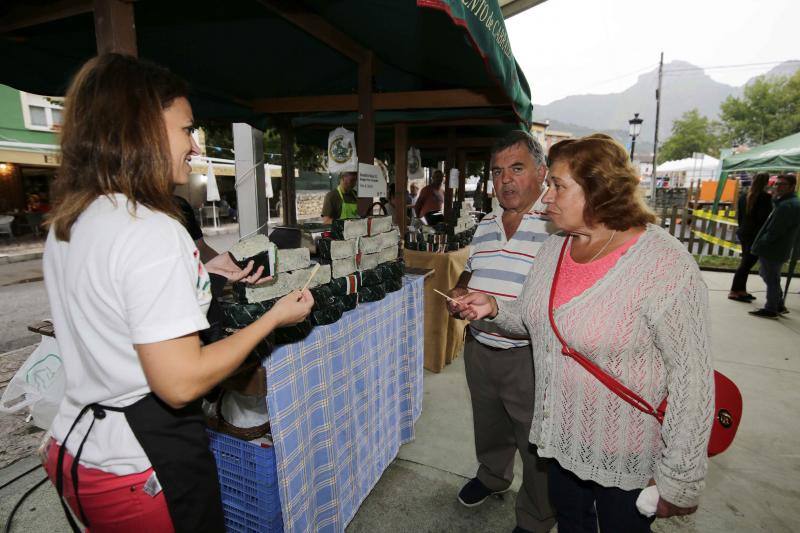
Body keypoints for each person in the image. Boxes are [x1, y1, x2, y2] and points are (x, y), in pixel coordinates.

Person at [41, 54, 314, 532]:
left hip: (78, 446)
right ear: (141, 127)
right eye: (186, 129)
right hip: (142, 462)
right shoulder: (151, 230)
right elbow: (181, 381)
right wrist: (271, 320)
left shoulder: (73, 220)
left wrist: (204, 271)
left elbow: (115, 305)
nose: (194, 146)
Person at [453, 134, 714, 532]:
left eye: (557, 186)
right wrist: (495, 308)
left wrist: (680, 476)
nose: (546, 198)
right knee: (572, 522)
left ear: (598, 189)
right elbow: (531, 318)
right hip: (559, 443)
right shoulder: (556, 248)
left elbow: (692, 378)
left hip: (625, 455)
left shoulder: (664, 263)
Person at [446, 131, 555, 533]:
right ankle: (493, 476)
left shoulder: (557, 223)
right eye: (497, 171)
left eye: (517, 168)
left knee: (535, 442)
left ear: (541, 172)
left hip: (529, 355)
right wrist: (459, 291)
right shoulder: (487, 223)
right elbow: (474, 270)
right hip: (481, 345)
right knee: (489, 423)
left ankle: (537, 515)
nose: (505, 180)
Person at [749, 174, 800, 318]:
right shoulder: (786, 203)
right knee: (768, 275)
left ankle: (771, 308)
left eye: (782, 184)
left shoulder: (787, 205)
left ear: (791, 187)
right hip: (778, 247)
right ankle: (777, 304)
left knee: (771, 277)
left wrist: (762, 243)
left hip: (773, 248)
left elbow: (775, 230)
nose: (777, 187)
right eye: (776, 184)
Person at [729, 173, 772, 302]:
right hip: (755, 234)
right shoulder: (765, 198)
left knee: (746, 262)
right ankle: (735, 290)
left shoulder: (743, 196)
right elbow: (763, 218)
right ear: (766, 182)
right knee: (747, 263)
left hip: (744, 232)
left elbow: (740, 216)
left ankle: (741, 290)